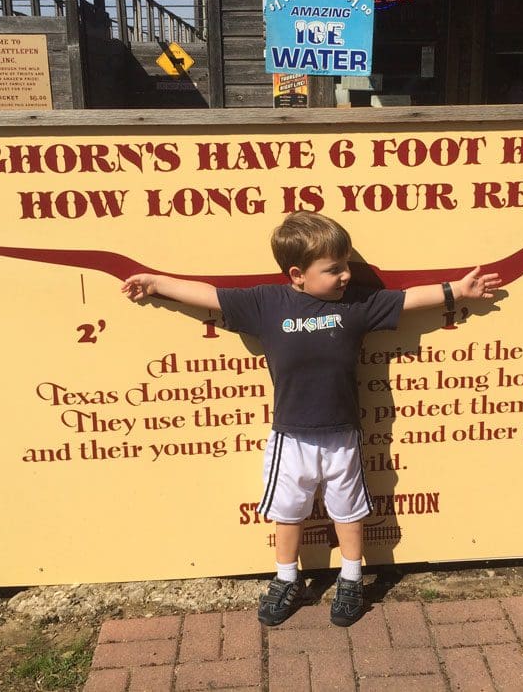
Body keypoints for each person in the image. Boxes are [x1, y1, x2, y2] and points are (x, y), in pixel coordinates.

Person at [121, 212, 501, 627]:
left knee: (349, 510)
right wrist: (156, 283)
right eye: (333, 269)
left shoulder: (357, 304)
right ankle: (287, 580)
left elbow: (408, 299)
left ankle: (352, 579)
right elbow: (211, 296)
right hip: (291, 437)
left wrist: (457, 291)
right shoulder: (266, 303)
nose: (343, 276)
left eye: (346, 267)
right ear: (298, 274)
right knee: (289, 511)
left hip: (343, 437)